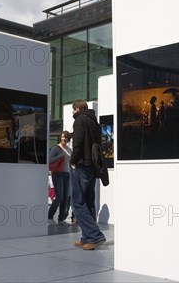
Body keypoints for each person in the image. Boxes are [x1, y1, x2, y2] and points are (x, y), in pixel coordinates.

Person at [70, 99, 106, 250]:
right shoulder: (93, 121)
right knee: (89, 201)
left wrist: (73, 160)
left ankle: (94, 235)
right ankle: (87, 238)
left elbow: (77, 143)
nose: (72, 112)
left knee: (77, 203)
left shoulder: (79, 120)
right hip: (92, 167)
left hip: (82, 166)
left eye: (73, 109)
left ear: (77, 108)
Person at [48, 131, 72, 226]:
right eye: (62, 137)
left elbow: (70, 162)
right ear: (60, 138)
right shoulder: (56, 148)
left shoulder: (69, 150)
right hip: (57, 174)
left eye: (66, 137)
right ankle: (49, 217)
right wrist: (60, 156)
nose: (64, 139)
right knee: (59, 197)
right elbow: (49, 160)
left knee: (65, 198)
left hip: (67, 174)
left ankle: (61, 219)